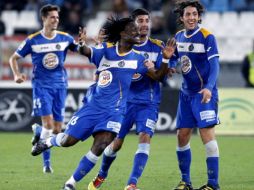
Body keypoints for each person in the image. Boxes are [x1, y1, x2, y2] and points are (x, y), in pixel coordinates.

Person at [30, 16, 176, 190]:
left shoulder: (138, 58)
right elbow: (86, 52)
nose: (138, 33)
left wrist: (166, 59)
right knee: (68, 141)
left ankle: (70, 184)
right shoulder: (106, 51)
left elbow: (158, 76)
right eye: (133, 30)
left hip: (116, 112)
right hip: (93, 107)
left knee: (100, 145)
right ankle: (47, 142)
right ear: (122, 33)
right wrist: (82, 44)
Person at [87, 8, 171, 190]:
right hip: (123, 102)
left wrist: (164, 64)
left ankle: (132, 183)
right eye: (140, 21)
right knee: (115, 144)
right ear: (132, 25)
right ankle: (102, 174)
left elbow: (162, 77)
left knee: (145, 136)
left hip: (148, 102)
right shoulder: (119, 45)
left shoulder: (158, 46)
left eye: (147, 20)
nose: (144, 24)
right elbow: (104, 66)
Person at [9, 4, 79, 173]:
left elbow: (80, 50)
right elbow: (13, 58)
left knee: (56, 129)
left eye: (57, 17)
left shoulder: (65, 38)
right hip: (41, 86)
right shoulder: (33, 40)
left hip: (61, 85)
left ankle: (38, 130)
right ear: (44, 19)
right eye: (52, 17)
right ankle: (47, 165)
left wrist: (85, 44)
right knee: (49, 125)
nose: (56, 20)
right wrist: (17, 74)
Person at [170, 1, 220, 190]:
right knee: (182, 136)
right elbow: (175, 58)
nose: (191, 18)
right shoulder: (178, 37)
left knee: (206, 134)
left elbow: (215, 65)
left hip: (204, 93)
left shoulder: (207, 37)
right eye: (187, 14)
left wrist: (209, 87)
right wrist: (169, 67)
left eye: (194, 14)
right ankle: (186, 181)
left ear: (198, 16)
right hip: (185, 94)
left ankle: (213, 184)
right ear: (181, 18)